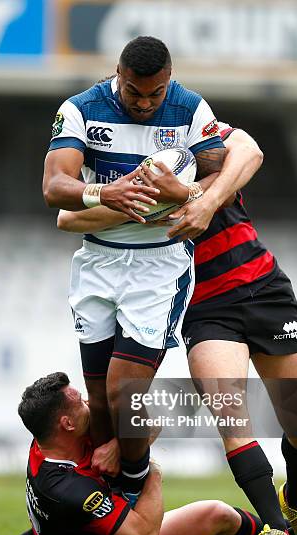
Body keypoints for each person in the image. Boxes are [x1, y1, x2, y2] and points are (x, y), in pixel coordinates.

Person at [55, 123, 297, 535]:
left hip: (265, 287)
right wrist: (141, 200)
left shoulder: (190, 129)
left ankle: (296, 503)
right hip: (204, 308)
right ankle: (278, 528)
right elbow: (67, 218)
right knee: (230, 414)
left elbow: (249, 149)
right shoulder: (114, 169)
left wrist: (196, 195)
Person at [42, 36, 227, 504]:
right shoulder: (81, 108)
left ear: (169, 80)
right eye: (133, 92)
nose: (145, 103)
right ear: (116, 75)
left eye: (155, 93)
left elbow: (216, 175)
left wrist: (182, 193)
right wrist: (105, 194)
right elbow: (54, 186)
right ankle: (101, 501)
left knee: (127, 391)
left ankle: (130, 491)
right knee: (100, 400)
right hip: (97, 260)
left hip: (159, 266)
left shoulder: (191, 108)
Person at [0, 372, 297, 535]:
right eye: (79, 401)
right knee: (215, 513)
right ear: (66, 423)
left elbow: (153, 421)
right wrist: (152, 472)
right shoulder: (67, 488)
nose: (88, 401)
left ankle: (279, 530)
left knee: (213, 512)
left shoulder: (47, 446)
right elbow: (143, 534)